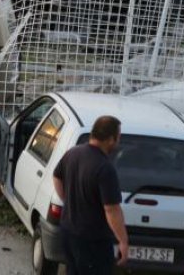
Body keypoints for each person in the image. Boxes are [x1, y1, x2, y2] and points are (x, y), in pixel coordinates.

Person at [53, 115, 128, 275]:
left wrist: (67, 200)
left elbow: (56, 176)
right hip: (93, 240)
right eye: (118, 137)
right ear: (110, 139)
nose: (118, 142)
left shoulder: (73, 153)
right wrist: (123, 241)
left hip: (68, 232)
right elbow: (112, 210)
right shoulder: (105, 168)